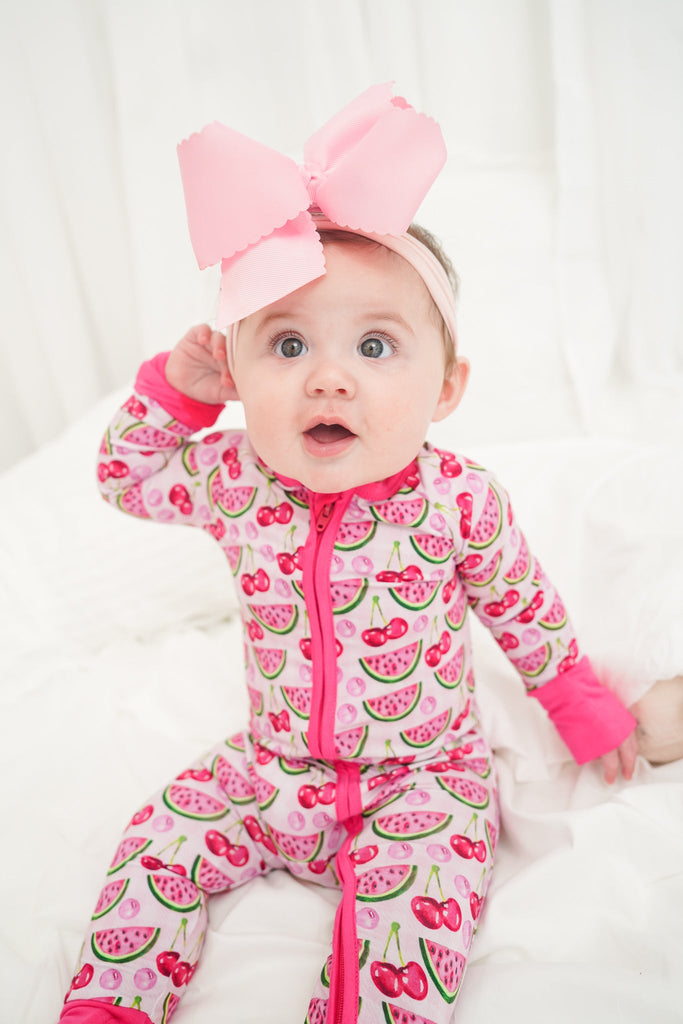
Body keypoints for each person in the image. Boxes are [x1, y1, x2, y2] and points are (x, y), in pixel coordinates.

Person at [59, 85, 638, 1024]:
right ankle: (107, 1008)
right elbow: (128, 479)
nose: (329, 375)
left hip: (425, 780)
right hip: (273, 767)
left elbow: (520, 604)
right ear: (239, 375)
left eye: (375, 345)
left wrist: (577, 703)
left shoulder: (456, 499)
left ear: (444, 387)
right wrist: (177, 393)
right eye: (286, 344)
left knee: (413, 925)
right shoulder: (235, 477)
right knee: (160, 840)